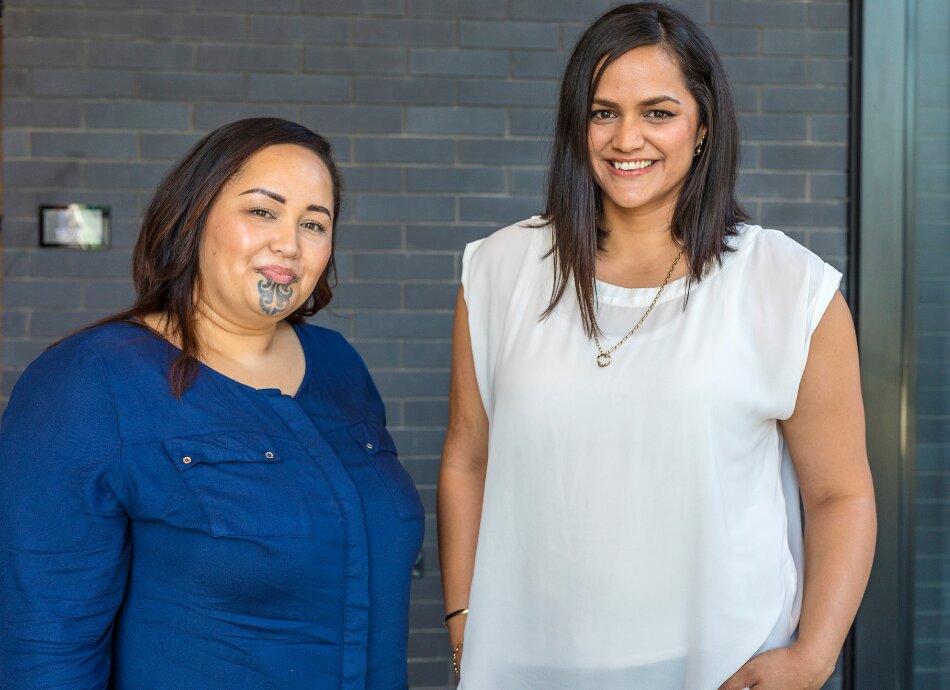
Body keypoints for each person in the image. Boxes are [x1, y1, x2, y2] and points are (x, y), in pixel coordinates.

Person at [437, 4, 876, 689]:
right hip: (526, 664)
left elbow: (840, 495)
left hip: (720, 664)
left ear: (703, 126)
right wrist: (464, 619)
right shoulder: (498, 270)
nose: (626, 137)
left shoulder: (789, 286)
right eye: (603, 111)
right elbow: (468, 457)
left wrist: (814, 655)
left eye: (658, 112)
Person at [0, 118, 424, 689]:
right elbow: (43, 647)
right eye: (262, 211)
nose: (289, 243)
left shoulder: (339, 364)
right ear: (194, 217)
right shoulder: (89, 380)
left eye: (314, 223)